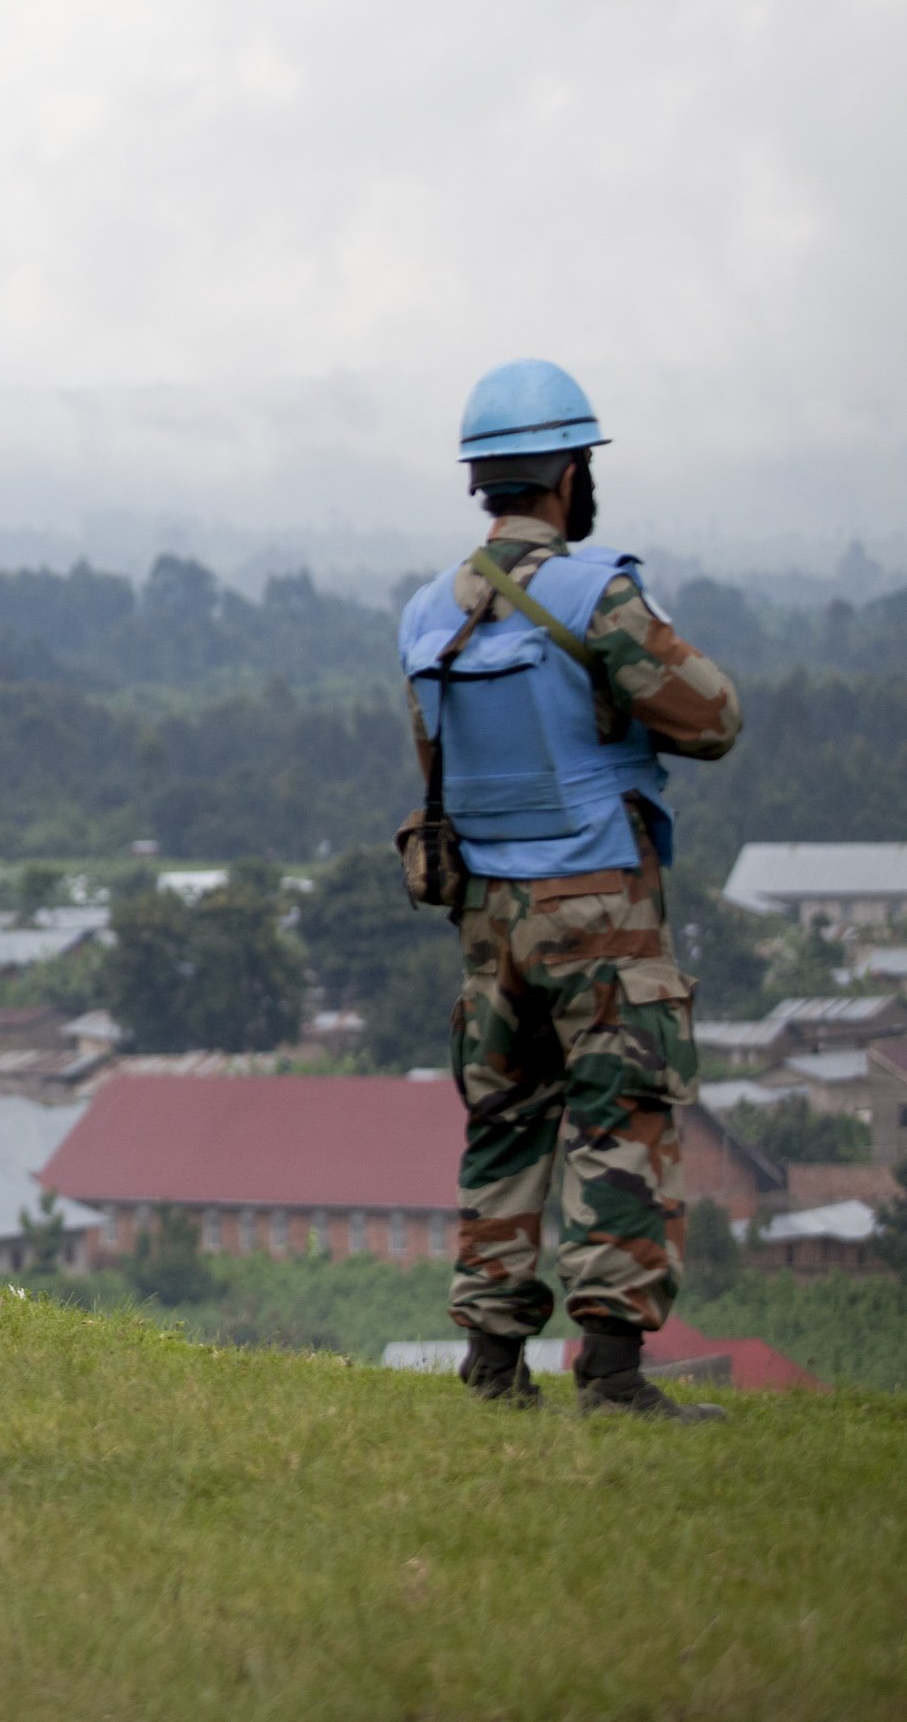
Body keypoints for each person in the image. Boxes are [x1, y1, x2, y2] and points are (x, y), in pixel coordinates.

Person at [396, 359, 742, 1420]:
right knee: (620, 1121)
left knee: (504, 1123)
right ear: (565, 475)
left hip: (488, 918)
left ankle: (493, 1368)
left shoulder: (425, 614)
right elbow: (713, 717)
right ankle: (615, 1375)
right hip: (598, 905)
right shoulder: (601, 595)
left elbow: (437, 758)